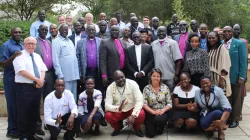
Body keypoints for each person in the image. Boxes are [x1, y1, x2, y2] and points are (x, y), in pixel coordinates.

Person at [13, 37, 47, 140]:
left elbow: (43, 69)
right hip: (24, 88)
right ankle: (23, 136)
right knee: (23, 112)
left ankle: (31, 134)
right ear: (24, 44)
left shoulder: (37, 56)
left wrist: (40, 81)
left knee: (34, 112)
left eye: (33, 43)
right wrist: (37, 80)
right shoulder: (19, 56)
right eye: (29, 43)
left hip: (36, 87)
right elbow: (21, 71)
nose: (31, 45)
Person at [105, 70, 145, 137]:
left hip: (131, 108)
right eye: (117, 79)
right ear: (114, 80)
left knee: (141, 114)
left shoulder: (132, 83)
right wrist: (118, 108)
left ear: (124, 76)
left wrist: (133, 115)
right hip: (118, 110)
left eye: (122, 77)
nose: (120, 80)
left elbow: (140, 100)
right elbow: (107, 105)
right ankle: (118, 127)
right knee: (108, 115)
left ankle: (137, 128)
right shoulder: (110, 88)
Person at [0, 27, 23, 139]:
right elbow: (3, 64)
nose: (18, 34)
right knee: (12, 105)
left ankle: (18, 128)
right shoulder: (6, 45)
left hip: (21, 79)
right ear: (11, 33)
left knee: (19, 105)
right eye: (15, 32)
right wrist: (13, 57)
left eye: (19, 32)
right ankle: (11, 130)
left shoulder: (22, 45)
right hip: (11, 79)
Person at [222, 26, 247, 128]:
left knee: (236, 99)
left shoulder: (239, 44)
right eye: (225, 31)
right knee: (227, 98)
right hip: (224, 77)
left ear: (232, 32)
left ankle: (235, 119)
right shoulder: (221, 44)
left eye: (229, 31)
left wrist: (242, 77)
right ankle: (228, 118)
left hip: (235, 76)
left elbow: (243, 61)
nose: (227, 33)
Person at [35, 24, 56, 135]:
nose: (44, 31)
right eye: (42, 29)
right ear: (38, 30)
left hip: (50, 75)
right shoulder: (35, 42)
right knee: (38, 100)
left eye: (46, 30)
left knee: (48, 101)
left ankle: (48, 123)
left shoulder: (49, 42)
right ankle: (37, 126)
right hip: (39, 75)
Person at [52, 24, 80, 101]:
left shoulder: (70, 41)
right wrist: (59, 74)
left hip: (74, 75)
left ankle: (73, 112)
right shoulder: (56, 41)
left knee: (73, 96)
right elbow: (55, 59)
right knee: (65, 96)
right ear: (59, 30)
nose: (65, 31)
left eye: (66, 30)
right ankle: (66, 113)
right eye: (63, 29)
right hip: (65, 75)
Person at [143, 68, 172, 138]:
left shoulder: (165, 88)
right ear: (150, 77)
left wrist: (163, 110)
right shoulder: (146, 88)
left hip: (162, 112)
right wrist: (153, 112)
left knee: (159, 119)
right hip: (150, 112)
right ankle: (153, 127)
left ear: (160, 77)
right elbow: (144, 104)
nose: (156, 78)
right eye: (154, 76)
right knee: (150, 134)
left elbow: (169, 104)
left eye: (158, 76)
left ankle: (160, 127)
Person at [151, 26, 182, 91]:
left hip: (170, 76)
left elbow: (178, 60)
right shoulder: (153, 44)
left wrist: (176, 74)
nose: (161, 33)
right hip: (157, 77)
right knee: (159, 96)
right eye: (159, 32)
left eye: (163, 31)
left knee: (170, 96)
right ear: (157, 33)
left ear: (166, 32)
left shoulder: (173, 43)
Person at [207, 31, 231, 97]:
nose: (211, 40)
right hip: (212, 78)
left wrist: (222, 79)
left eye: (213, 38)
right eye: (209, 38)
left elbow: (226, 63)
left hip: (219, 77)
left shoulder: (222, 48)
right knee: (214, 98)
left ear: (217, 38)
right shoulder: (210, 49)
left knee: (222, 98)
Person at [233, 23, 249, 121]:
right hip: (234, 72)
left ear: (240, 31)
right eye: (235, 29)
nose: (236, 31)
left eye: (238, 29)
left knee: (241, 93)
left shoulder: (244, 42)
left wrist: (244, 74)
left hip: (241, 72)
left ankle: (239, 113)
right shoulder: (230, 42)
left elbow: (245, 58)